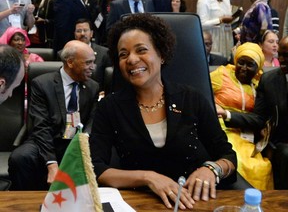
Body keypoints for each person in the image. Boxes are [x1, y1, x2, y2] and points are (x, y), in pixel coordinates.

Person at [89, 13, 237, 210]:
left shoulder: (191, 98)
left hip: (191, 201)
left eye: (141, 50)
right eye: (123, 54)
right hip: (135, 203)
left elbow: (227, 155)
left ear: (162, 54)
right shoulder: (109, 106)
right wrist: (148, 177)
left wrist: (211, 169)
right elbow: (95, 168)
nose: (131, 59)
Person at [8, 40, 99, 190]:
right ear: (70, 62)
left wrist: (83, 142)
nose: (93, 68)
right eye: (88, 63)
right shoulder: (42, 84)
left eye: (93, 62)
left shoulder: (92, 86)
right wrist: (51, 163)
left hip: (77, 141)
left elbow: (92, 120)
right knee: (21, 158)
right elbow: (41, 126)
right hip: (47, 139)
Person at [216, 36, 288, 189]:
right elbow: (259, 117)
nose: (281, 59)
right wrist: (225, 114)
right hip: (276, 140)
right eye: (280, 54)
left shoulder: (257, 82)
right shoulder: (269, 81)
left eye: (286, 55)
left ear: (257, 67)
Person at [58, 18, 112, 94]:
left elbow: (108, 79)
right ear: (74, 34)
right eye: (79, 31)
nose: (82, 34)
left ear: (91, 33)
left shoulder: (104, 53)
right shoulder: (62, 54)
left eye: (85, 30)